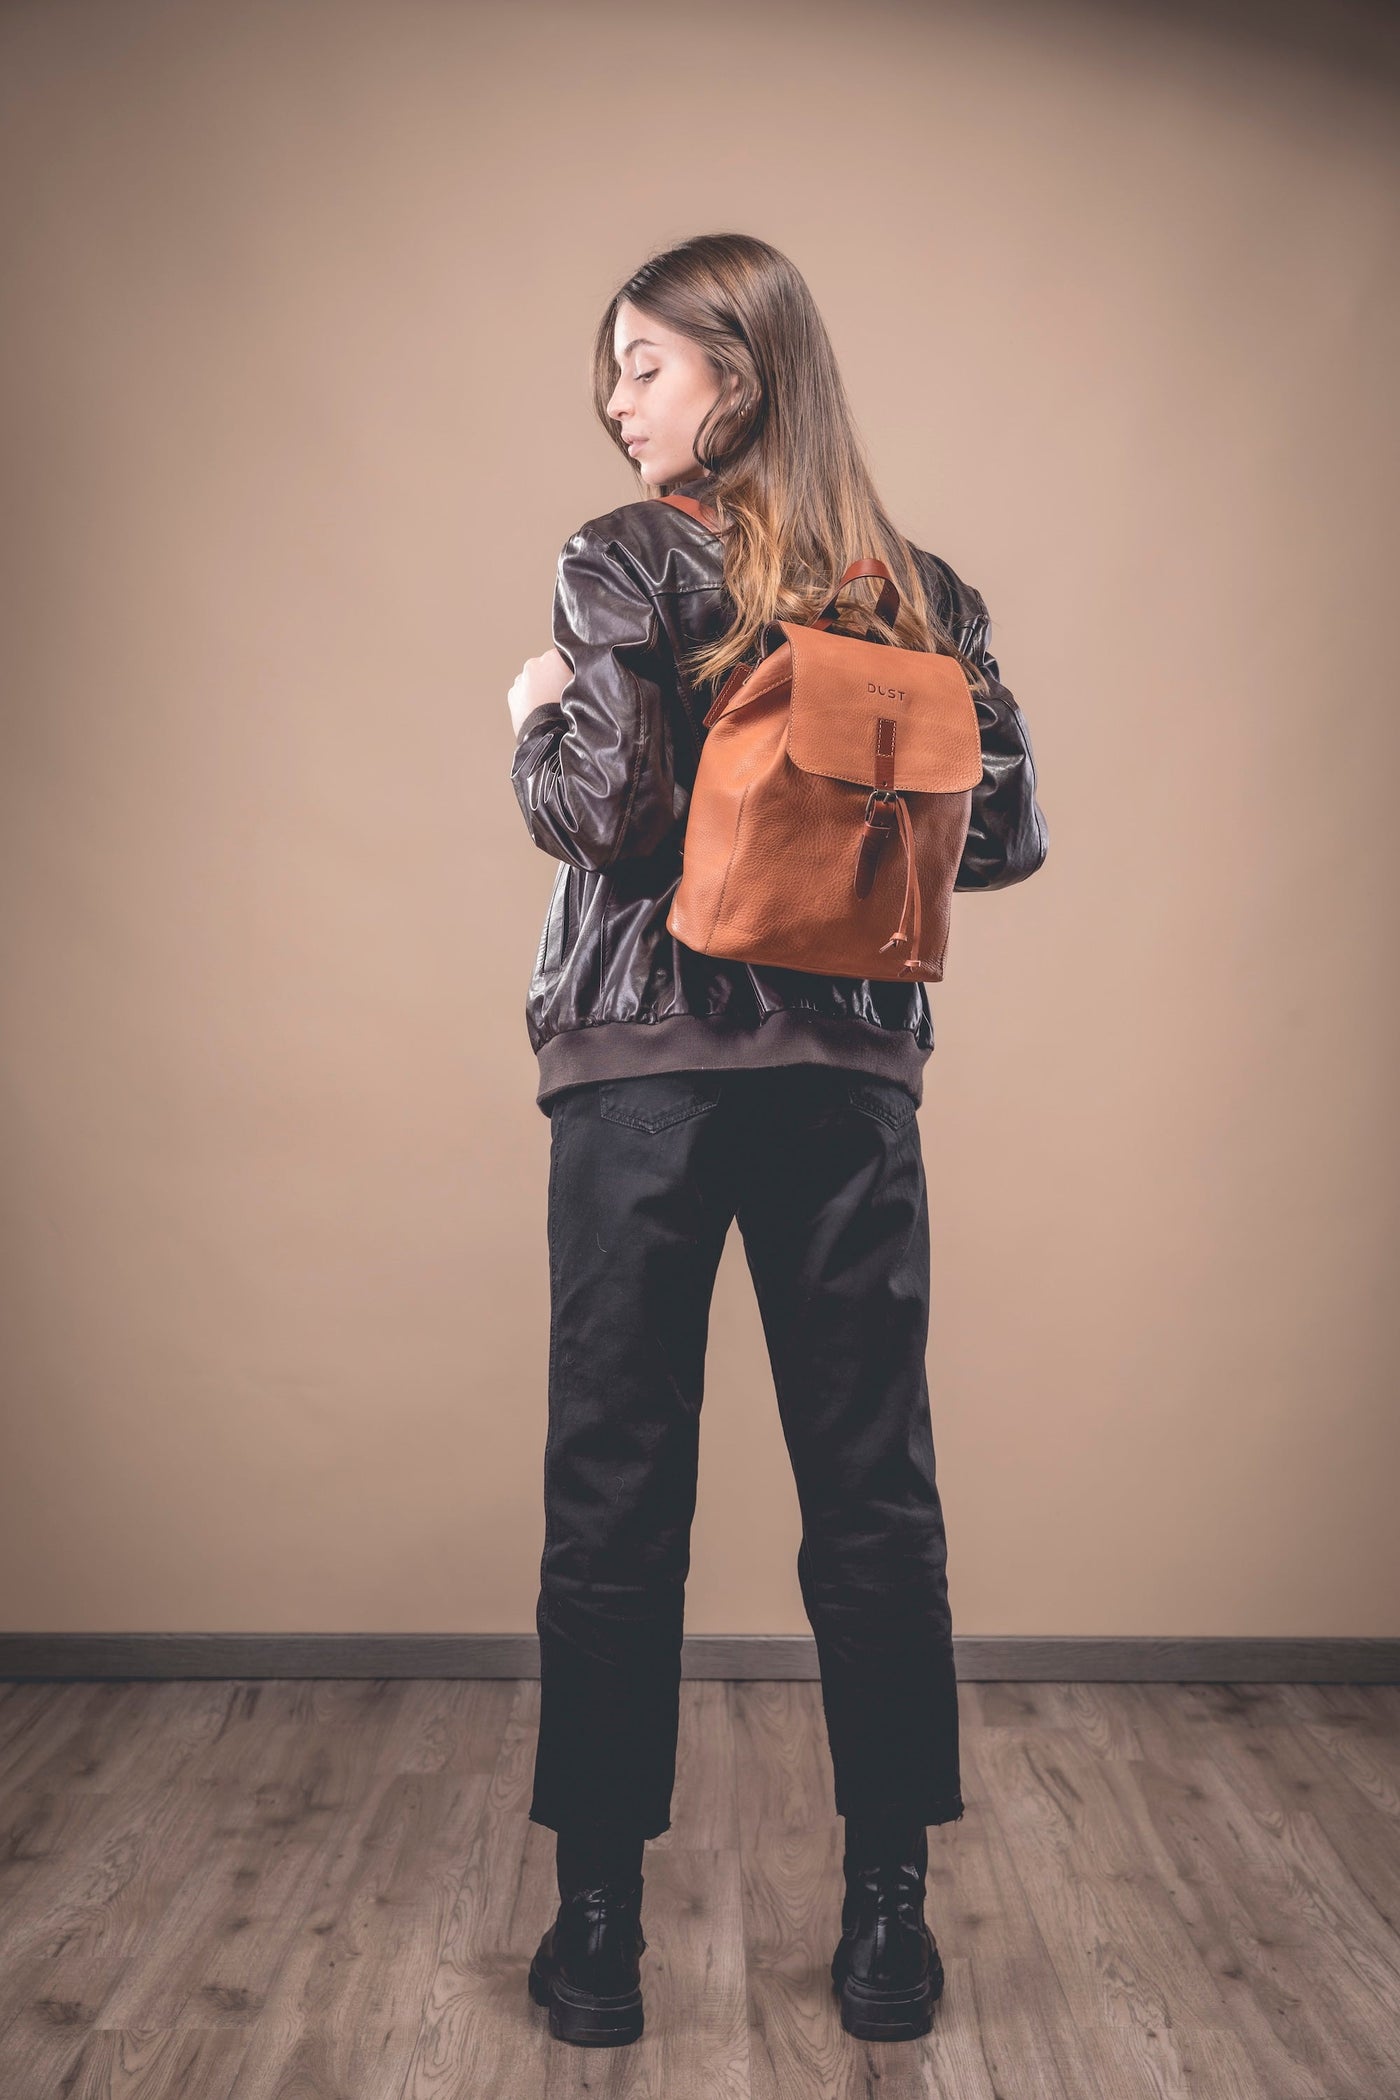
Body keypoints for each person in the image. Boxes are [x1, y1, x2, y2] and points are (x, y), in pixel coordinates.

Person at [506, 233, 1048, 2049]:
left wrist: (527, 716)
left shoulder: (624, 556)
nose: (616, 399)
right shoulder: (923, 596)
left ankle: (597, 1942)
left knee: (617, 1494)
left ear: (733, 377)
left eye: (642, 366)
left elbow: (607, 808)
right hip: (847, 1087)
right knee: (874, 1499)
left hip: (641, 1079)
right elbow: (1004, 834)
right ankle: (890, 1929)